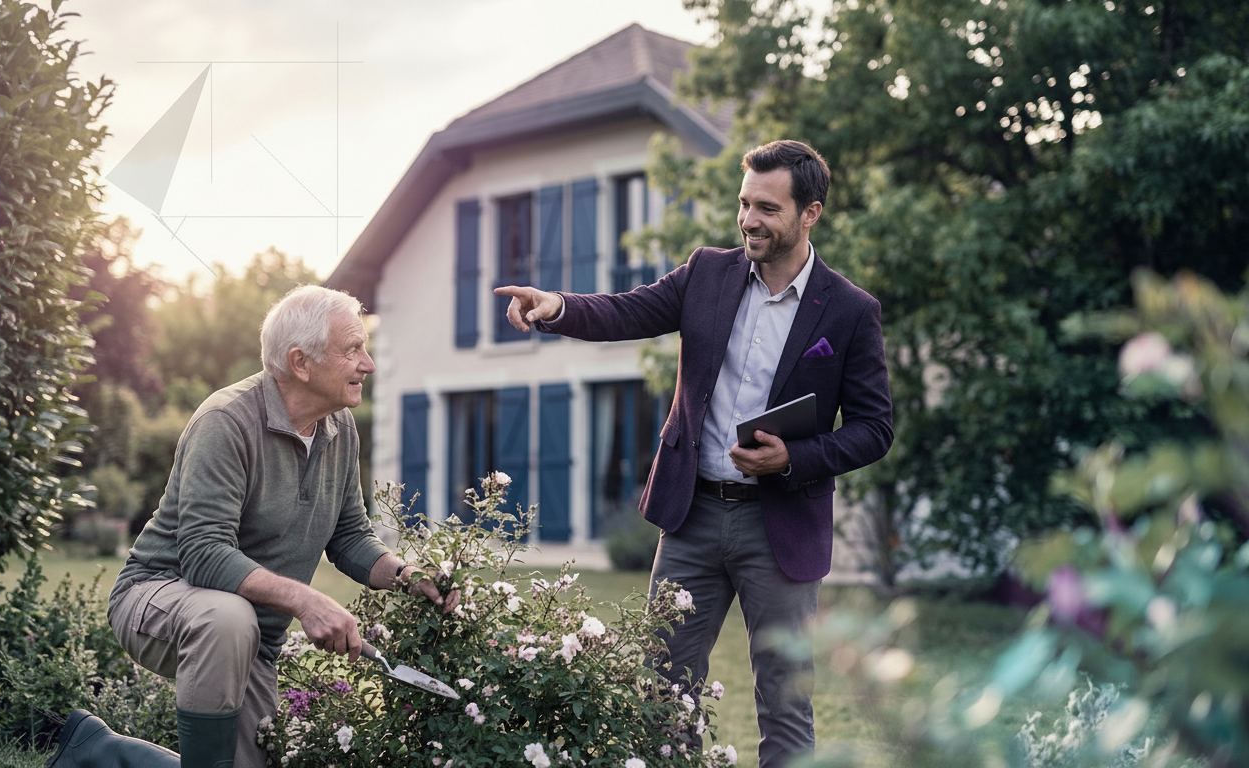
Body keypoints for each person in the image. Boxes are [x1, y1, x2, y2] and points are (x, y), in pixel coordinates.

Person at [495, 140, 892, 767]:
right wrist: (558, 307)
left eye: (767, 208)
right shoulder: (707, 271)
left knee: (786, 702)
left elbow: (875, 427)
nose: (749, 220)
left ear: (809, 213)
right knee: (662, 694)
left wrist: (792, 457)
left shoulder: (849, 310)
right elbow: (628, 311)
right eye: (744, 204)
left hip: (781, 526)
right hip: (692, 519)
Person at [46, 285, 459, 768]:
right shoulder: (225, 422)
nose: (367, 364)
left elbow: (349, 536)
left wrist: (408, 576)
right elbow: (203, 553)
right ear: (300, 363)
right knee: (227, 618)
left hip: (253, 640)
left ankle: (97, 750)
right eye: (352, 349)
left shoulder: (338, 427)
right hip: (158, 596)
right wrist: (306, 601)